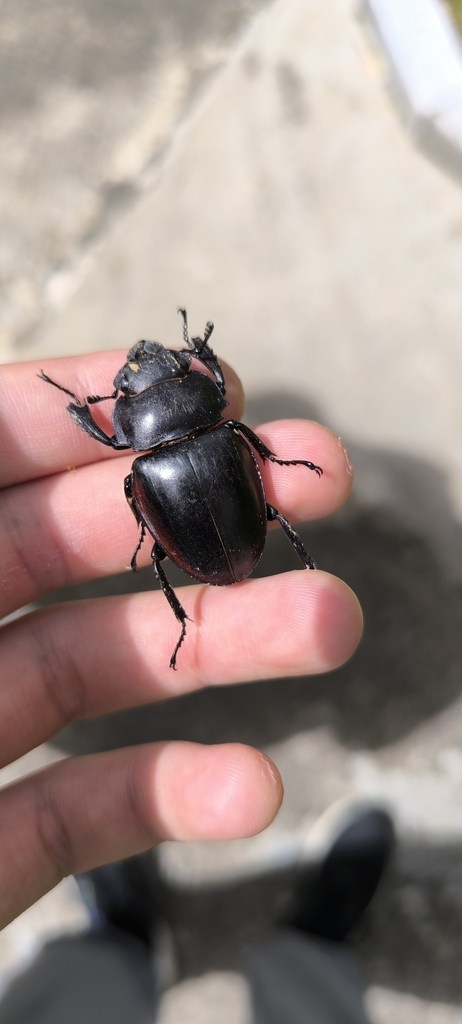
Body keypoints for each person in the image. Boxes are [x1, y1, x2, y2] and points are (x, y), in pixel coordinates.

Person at [0, 350, 367, 1018]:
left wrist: (74, 404)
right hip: (220, 501)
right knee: (266, 519)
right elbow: (219, 392)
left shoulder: (140, 460)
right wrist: (197, 356)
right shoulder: (222, 428)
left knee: (167, 554)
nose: (142, 367)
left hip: (186, 517)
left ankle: (118, 948)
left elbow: (115, 434)